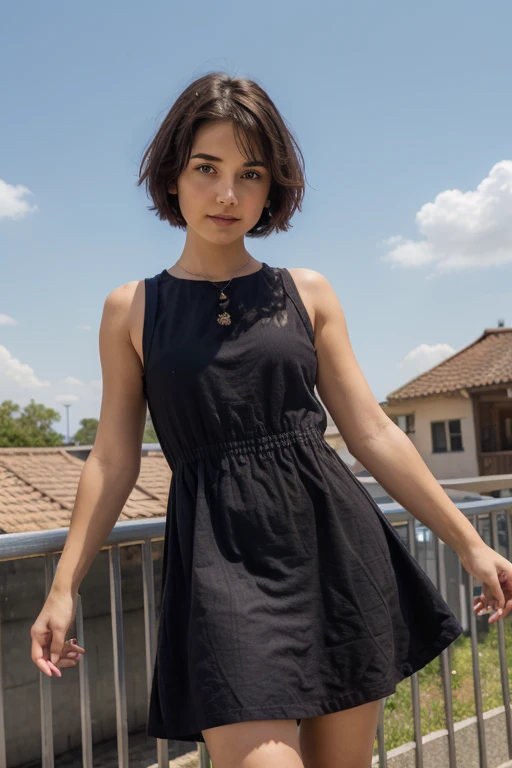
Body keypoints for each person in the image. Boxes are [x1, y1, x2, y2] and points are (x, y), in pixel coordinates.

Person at [30, 72, 512, 768]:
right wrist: (63, 586)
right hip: (218, 564)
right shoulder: (131, 310)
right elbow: (112, 457)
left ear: (273, 187)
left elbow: (372, 432)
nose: (228, 194)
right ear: (172, 177)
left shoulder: (306, 293)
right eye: (207, 169)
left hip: (335, 553)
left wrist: (469, 542)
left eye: (250, 174)